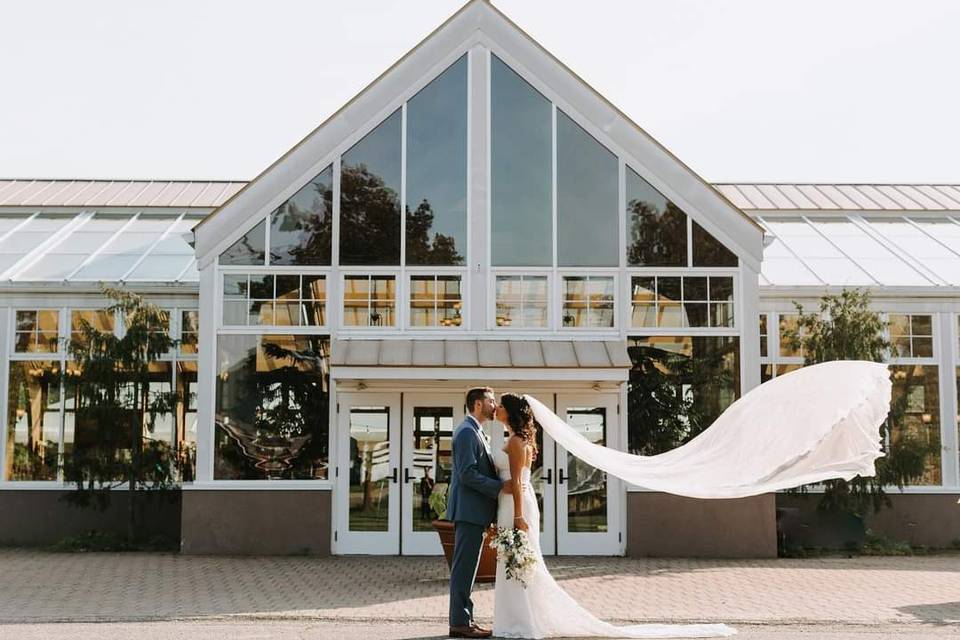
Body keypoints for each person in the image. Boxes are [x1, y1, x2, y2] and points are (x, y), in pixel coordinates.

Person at [491, 393, 735, 639]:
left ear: (510, 412)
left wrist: (518, 517)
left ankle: (519, 621)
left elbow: (518, 484)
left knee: (517, 560)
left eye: (500, 406)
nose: (497, 409)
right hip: (513, 503)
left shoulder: (515, 443)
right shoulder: (516, 439)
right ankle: (519, 617)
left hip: (515, 505)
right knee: (515, 561)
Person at [447, 387, 512, 639]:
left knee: (468, 569)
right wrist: (499, 487)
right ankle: (460, 623)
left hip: (475, 513)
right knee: (464, 569)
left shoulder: (476, 431)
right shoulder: (465, 432)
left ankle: (465, 619)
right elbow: (467, 474)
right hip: (468, 512)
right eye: (490, 401)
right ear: (477, 404)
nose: (494, 405)